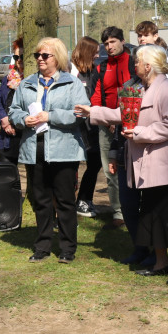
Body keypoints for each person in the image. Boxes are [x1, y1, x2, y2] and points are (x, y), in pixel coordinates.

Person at [82, 46, 168, 284]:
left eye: (137, 61)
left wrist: (139, 132)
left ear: (148, 66)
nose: (134, 65)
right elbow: (124, 114)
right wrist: (93, 111)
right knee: (153, 216)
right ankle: (161, 262)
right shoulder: (142, 88)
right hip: (154, 168)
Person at [9, 38, 90, 263]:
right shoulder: (26, 83)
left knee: (64, 201)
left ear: (58, 58)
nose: (40, 59)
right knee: (41, 200)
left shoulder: (72, 84)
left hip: (63, 151)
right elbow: (13, 110)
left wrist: (50, 116)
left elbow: (80, 113)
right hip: (34, 149)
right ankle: (42, 246)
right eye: (37, 55)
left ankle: (67, 249)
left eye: (46, 55)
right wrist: (23, 119)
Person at [92, 26, 135, 229]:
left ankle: (135, 208)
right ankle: (118, 211)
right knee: (111, 171)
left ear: (122, 41)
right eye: (106, 43)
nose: (109, 46)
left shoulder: (134, 63)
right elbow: (96, 96)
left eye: (113, 42)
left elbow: (138, 91)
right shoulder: (101, 67)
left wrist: (121, 119)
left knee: (133, 168)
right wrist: (106, 119)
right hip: (106, 125)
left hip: (130, 123)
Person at [70, 37, 102, 218]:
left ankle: (84, 199)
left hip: (91, 126)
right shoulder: (71, 71)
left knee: (95, 162)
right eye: (95, 52)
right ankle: (67, 202)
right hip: (75, 126)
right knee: (72, 165)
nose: (98, 55)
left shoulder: (93, 71)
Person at [0, 37, 25, 165]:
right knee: (6, 176)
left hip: (25, 135)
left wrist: (15, 121)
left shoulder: (33, 80)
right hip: (7, 137)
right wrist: (4, 120)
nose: (19, 61)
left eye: (22, 57)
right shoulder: (9, 78)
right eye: (16, 57)